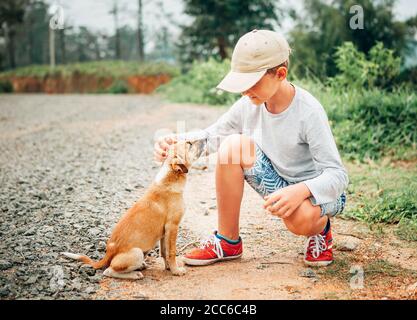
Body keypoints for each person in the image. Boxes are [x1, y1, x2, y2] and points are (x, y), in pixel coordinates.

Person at [154, 29, 348, 267]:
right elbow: (213, 135)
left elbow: (338, 176)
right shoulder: (249, 103)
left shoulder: (308, 112)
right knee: (232, 146)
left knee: (301, 220)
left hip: (316, 194)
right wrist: (176, 142)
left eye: (251, 83)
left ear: (280, 73)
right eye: (241, 83)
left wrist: (300, 191)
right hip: (278, 184)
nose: (244, 91)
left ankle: (321, 232)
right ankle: (228, 241)